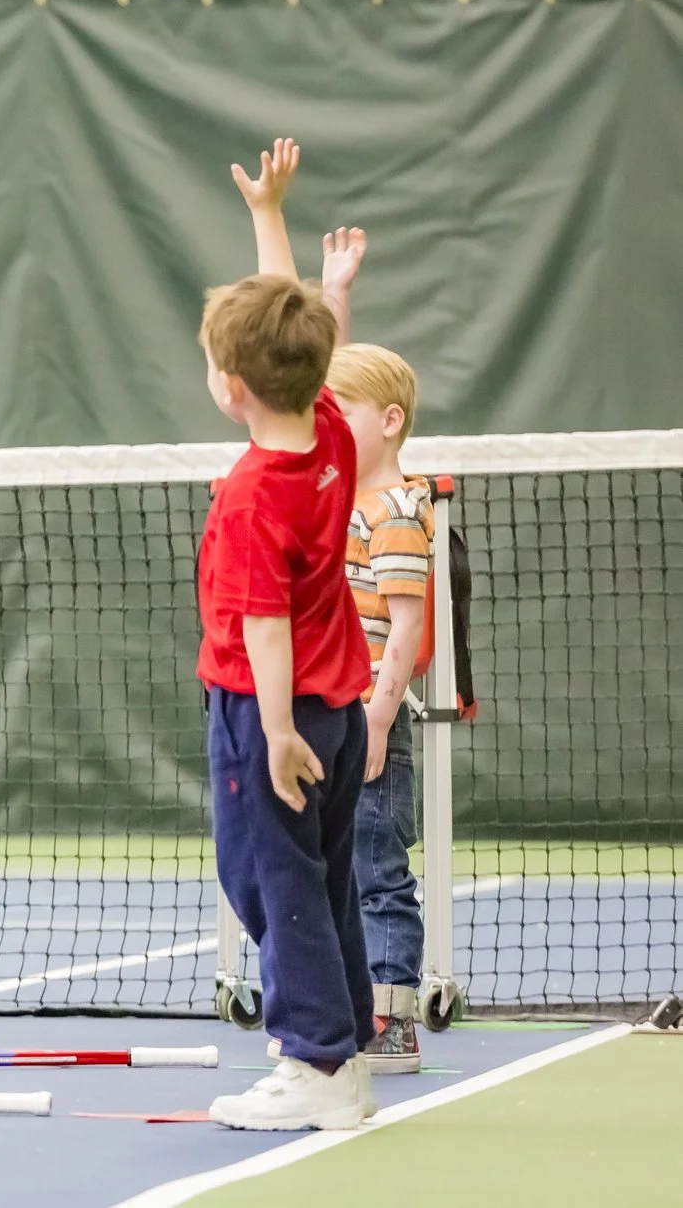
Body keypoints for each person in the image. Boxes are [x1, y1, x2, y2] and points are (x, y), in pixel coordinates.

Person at [198, 138, 377, 1130]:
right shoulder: (332, 435)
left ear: (231, 386)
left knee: (270, 879)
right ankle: (342, 1053)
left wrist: (270, 732)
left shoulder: (253, 496)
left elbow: (262, 623)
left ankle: (310, 1062)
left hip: (274, 712)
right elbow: (302, 331)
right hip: (339, 708)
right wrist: (272, 219)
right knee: (325, 878)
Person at [324, 328, 434, 1075]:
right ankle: (342, 1008)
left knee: (376, 868)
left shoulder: (394, 507)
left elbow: (407, 624)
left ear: (390, 419)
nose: (327, 423)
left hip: (367, 723)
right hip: (331, 716)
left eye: (343, 410)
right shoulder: (345, 499)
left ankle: (391, 1023)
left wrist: (378, 719)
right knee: (333, 866)